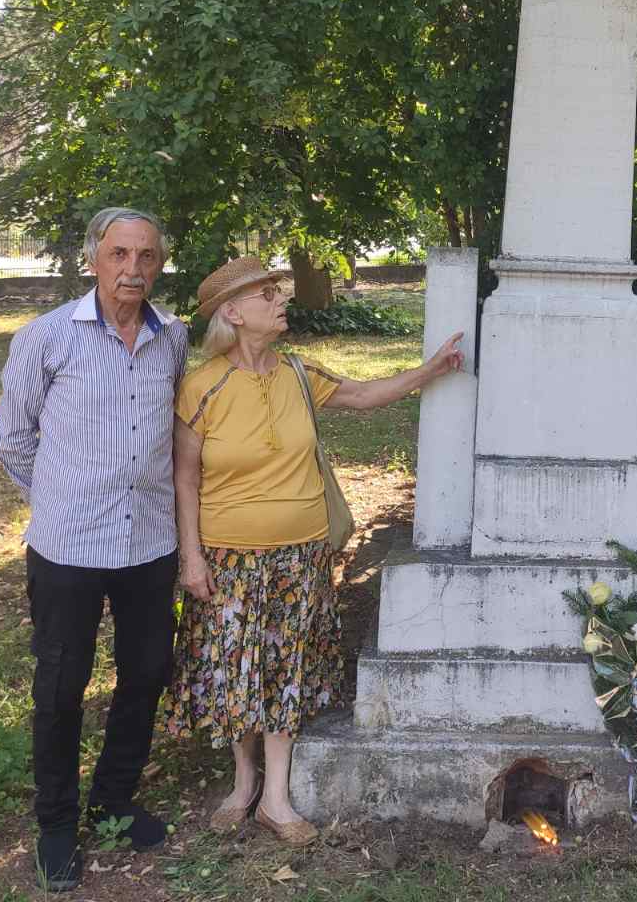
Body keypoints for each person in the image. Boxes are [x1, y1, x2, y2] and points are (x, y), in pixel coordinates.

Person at [165, 256, 464, 845]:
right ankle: (243, 779)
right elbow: (184, 478)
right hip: (228, 555)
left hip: (300, 554)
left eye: (277, 291)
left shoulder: (299, 373)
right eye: (266, 293)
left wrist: (428, 370)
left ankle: (277, 795)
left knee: (284, 668)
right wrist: (191, 557)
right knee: (236, 670)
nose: (281, 300)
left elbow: (363, 394)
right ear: (233, 312)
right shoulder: (203, 385)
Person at [0, 207, 187, 893]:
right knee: (59, 686)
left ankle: (114, 798)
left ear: (160, 264)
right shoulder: (46, 338)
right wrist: (57, 501)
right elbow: (12, 439)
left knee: (145, 673)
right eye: (119, 254)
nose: (132, 269)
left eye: (147, 257)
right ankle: (55, 822)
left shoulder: (174, 341)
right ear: (94, 258)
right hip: (68, 548)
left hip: (150, 544)